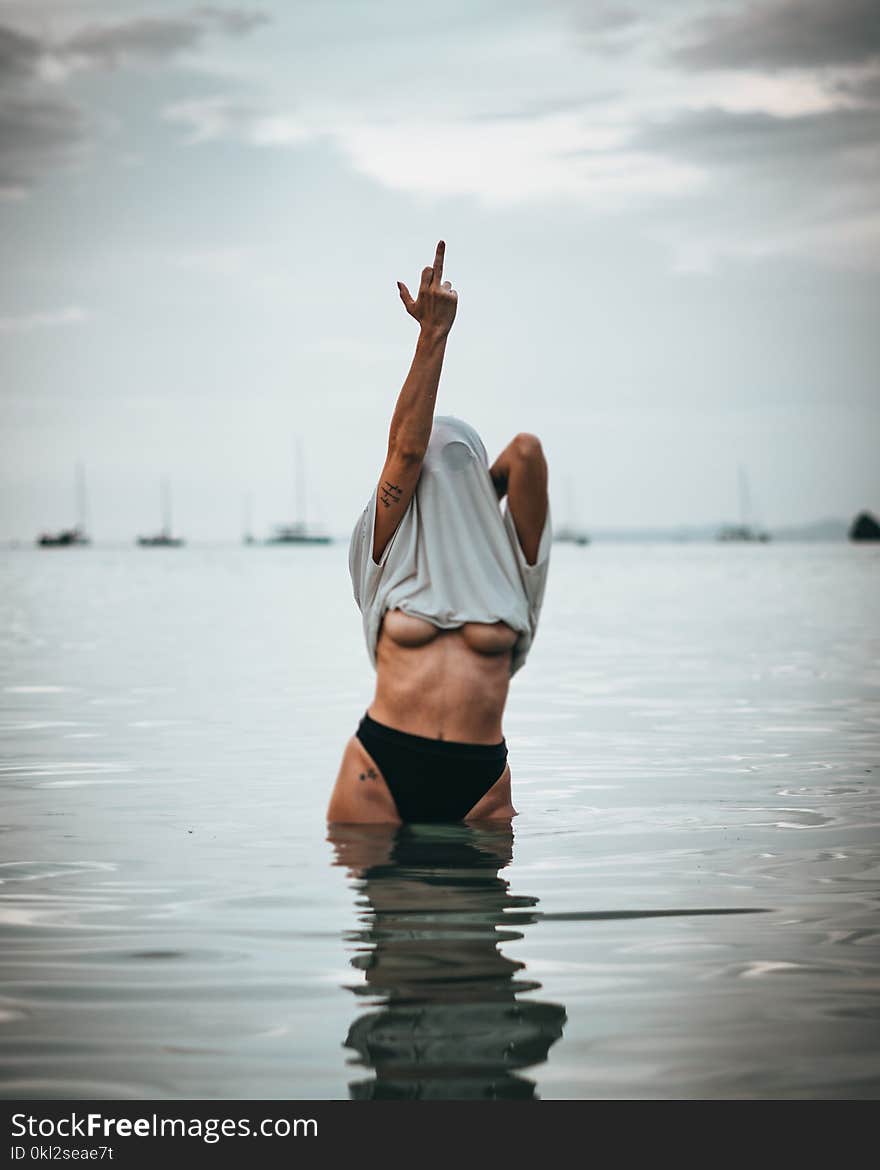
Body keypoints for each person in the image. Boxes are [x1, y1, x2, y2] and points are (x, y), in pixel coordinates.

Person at [327, 241, 551, 824]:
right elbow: (404, 453)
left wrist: (477, 500)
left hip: (481, 786)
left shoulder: (508, 564)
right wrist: (434, 335)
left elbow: (526, 454)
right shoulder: (383, 547)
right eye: (439, 474)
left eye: (464, 471)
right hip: (382, 771)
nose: (450, 481)